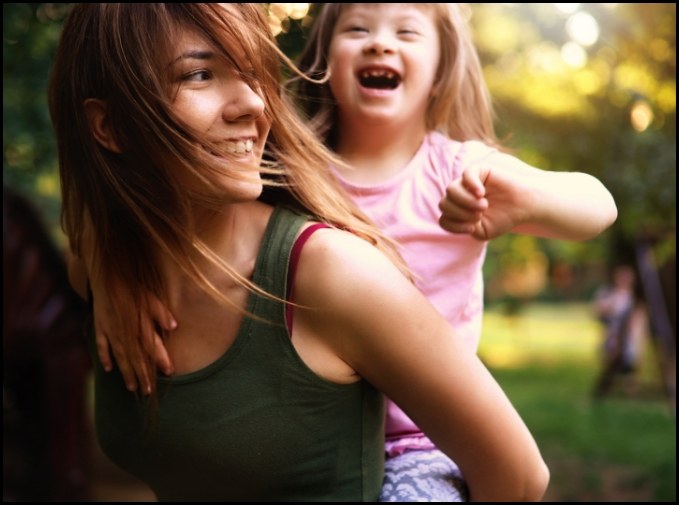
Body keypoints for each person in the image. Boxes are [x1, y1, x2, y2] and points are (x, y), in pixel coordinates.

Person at [50, 3, 549, 502]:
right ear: (108, 126)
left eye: (251, 73)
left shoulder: (332, 275)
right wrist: (106, 261)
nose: (254, 104)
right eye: (200, 74)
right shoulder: (105, 269)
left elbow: (520, 478)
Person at [285, 3, 617, 501]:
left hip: (421, 443)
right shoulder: (293, 172)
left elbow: (599, 206)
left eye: (406, 32)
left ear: (440, 72)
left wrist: (527, 198)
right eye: (358, 28)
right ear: (325, 60)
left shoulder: (462, 171)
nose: (380, 42)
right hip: (306, 437)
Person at [592, 264, 647, 397]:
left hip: (630, 336)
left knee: (631, 364)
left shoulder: (634, 297)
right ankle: (608, 388)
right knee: (610, 361)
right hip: (612, 334)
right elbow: (598, 310)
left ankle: (630, 391)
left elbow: (639, 318)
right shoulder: (608, 293)